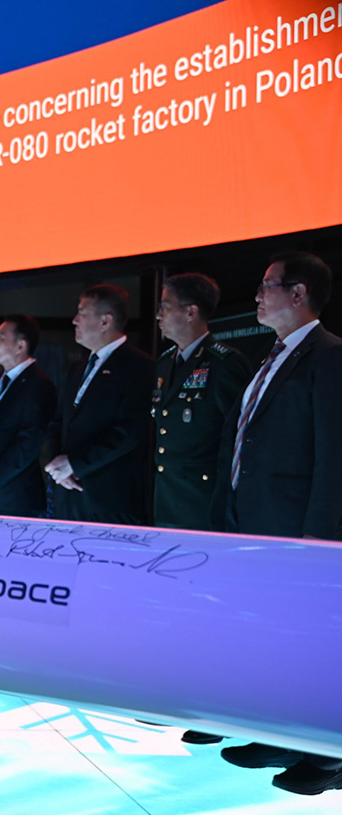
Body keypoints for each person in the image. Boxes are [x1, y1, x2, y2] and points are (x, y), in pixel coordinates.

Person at [213, 252, 342, 796]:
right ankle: (280, 735)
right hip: (254, 522)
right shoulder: (271, 356)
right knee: (269, 637)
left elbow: (334, 452)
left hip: (297, 528)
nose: (258, 295)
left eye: (268, 285)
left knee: (309, 642)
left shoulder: (329, 356)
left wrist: (319, 533)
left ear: (299, 293)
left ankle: (327, 755)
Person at [44, 284, 154, 524]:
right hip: (68, 499)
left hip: (108, 504)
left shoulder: (139, 366)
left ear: (105, 321)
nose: (74, 320)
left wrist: (75, 464)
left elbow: (129, 432)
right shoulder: (78, 367)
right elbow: (59, 422)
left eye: (82, 313)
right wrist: (58, 467)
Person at [153, 274, 251, 532]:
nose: (158, 316)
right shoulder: (165, 363)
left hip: (203, 501)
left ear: (191, 312)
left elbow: (237, 437)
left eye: (164, 307)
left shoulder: (224, 364)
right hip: (165, 499)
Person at [0, 315, 57, 517]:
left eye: (1, 337)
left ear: (20, 345)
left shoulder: (38, 384)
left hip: (16, 500)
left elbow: (30, 441)